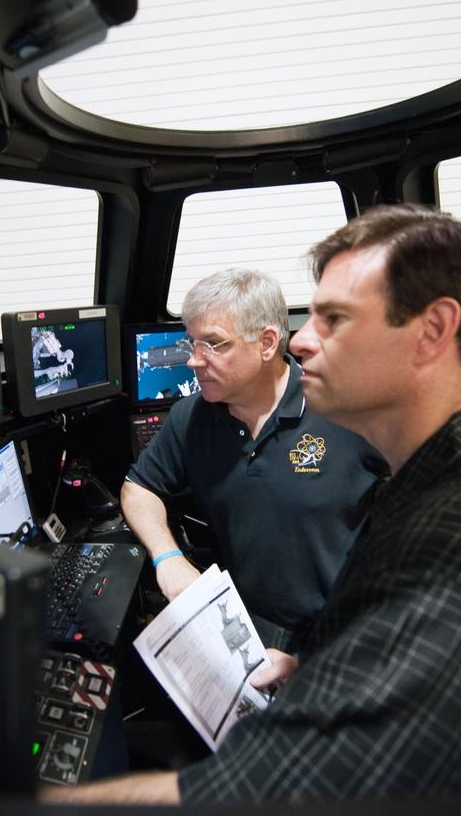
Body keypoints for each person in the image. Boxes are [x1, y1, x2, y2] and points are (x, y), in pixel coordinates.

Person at [46, 205, 461, 804]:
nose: (302, 340)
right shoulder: (453, 479)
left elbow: (280, 793)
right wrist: (316, 674)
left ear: (432, 332)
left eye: (334, 319)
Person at [122, 268, 387, 653]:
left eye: (213, 344)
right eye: (191, 344)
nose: (194, 361)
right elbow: (138, 488)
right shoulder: (191, 416)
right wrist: (168, 556)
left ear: (266, 343)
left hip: (342, 633)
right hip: (247, 625)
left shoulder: (349, 405)